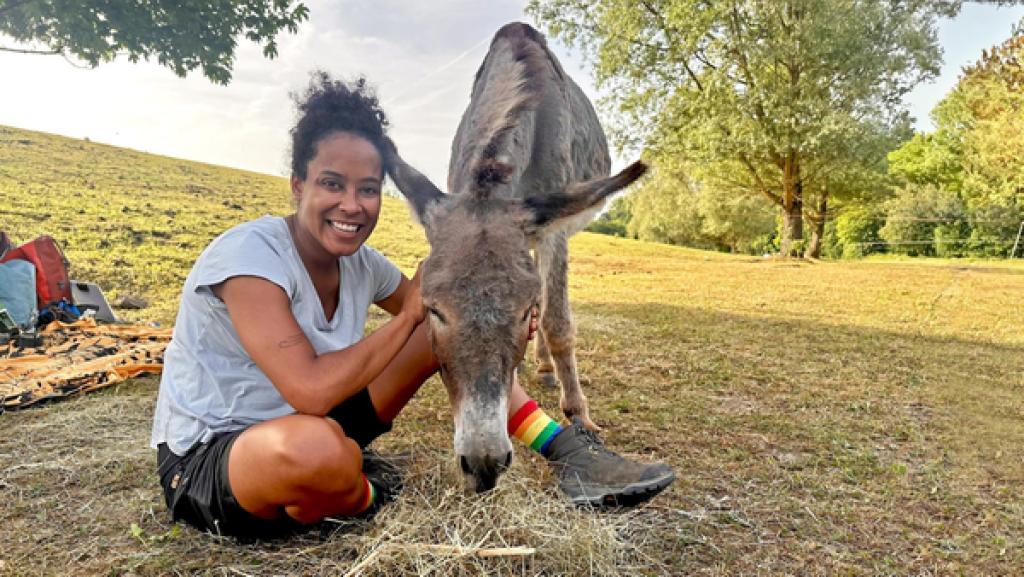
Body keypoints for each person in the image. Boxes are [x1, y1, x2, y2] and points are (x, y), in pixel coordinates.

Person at [150, 72, 674, 540]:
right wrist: (409, 314)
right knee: (314, 450)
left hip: (323, 426)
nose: (352, 205)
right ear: (298, 186)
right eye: (332, 184)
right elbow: (308, 391)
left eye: (368, 189)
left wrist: (508, 316)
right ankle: (369, 495)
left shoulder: (363, 264)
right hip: (219, 458)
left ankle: (571, 453)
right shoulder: (250, 257)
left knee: (439, 326)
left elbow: (448, 324)